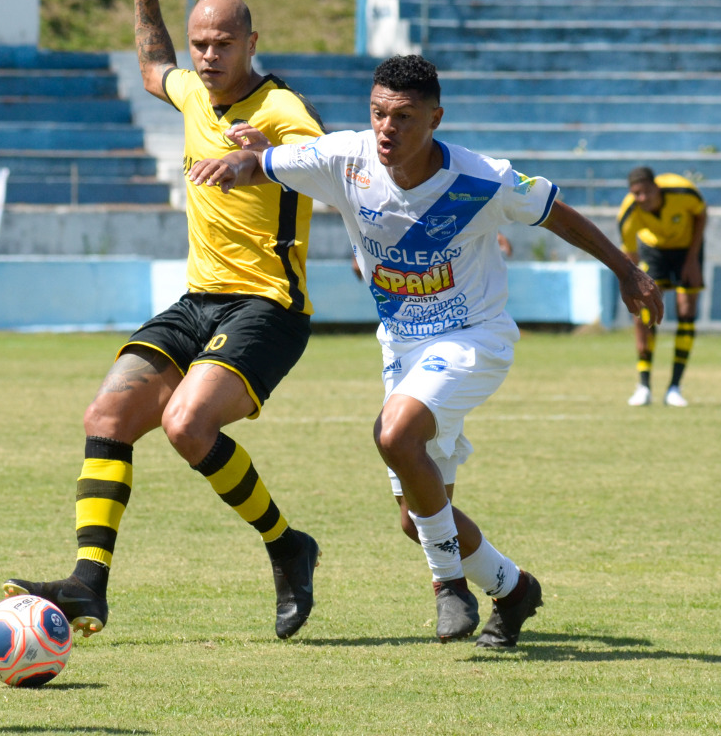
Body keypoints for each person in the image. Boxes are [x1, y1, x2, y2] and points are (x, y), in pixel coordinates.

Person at [189, 54, 663, 647]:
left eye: (405, 118)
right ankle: (514, 590)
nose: (387, 128)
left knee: (394, 435)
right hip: (403, 351)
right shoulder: (345, 157)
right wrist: (241, 161)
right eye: (378, 113)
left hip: (473, 339)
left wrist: (626, 270)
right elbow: (265, 163)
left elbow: (554, 213)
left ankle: (449, 590)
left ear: (435, 118)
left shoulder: (482, 179)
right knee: (420, 520)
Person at [4, 0, 325, 640]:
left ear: (252, 42)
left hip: (269, 307)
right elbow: (154, 66)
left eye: (222, 43)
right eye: (200, 43)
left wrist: (261, 158)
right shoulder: (192, 93)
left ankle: (286, 545)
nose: (207, 56)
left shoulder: (279, 108)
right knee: (106, 416)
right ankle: (88, 585)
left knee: (185, 424)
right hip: (198, 299)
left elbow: (332, 165)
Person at [617, 166, 707, 407]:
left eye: (646, 192)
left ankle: (674, 387)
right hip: (653, 250)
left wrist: (692, 260)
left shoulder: (683, 191)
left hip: (686, 249)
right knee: (645, 313)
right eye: (636, 194)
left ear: (656, 187)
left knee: (686, 310)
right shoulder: (628, 212)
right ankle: (644, 386)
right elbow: (630, 255)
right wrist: (633, 287)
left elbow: (701, 213)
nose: (642, 198)